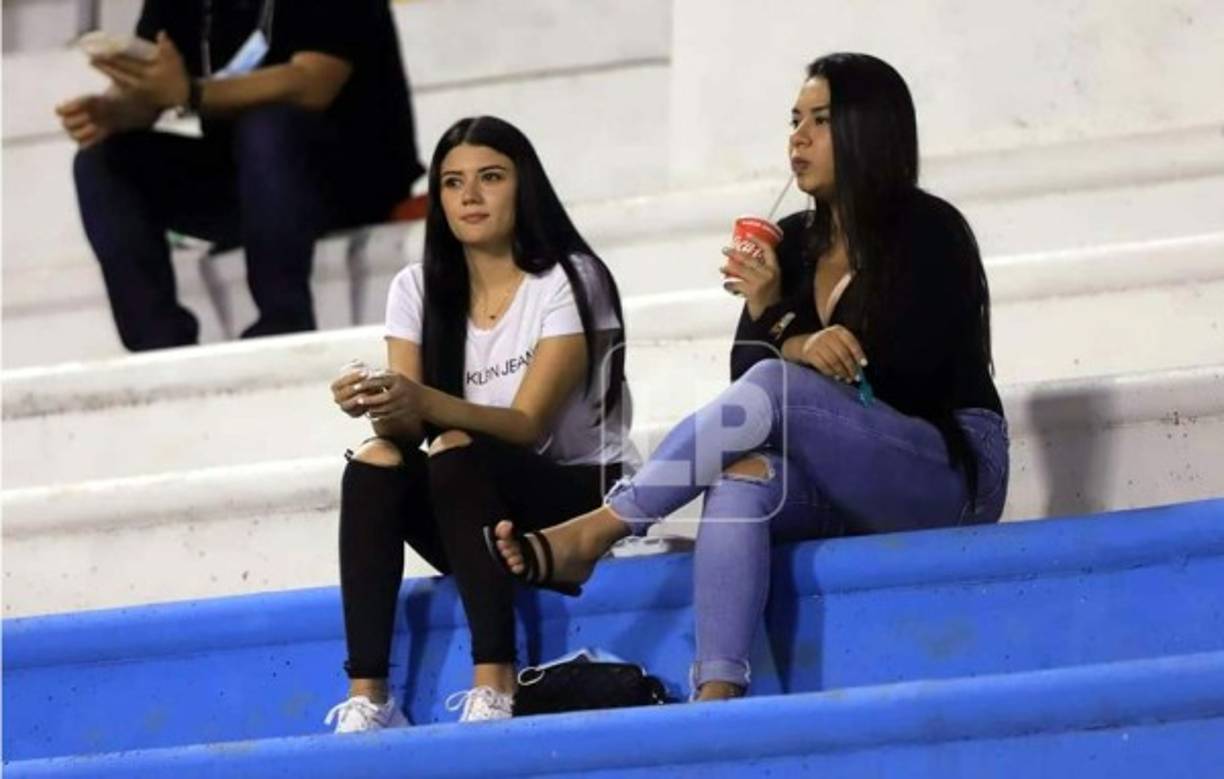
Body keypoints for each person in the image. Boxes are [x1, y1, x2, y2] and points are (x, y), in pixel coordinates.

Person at [491, 52, 1010, 702]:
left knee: (777, 390)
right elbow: (747, 388)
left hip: (948, 473)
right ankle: (717, 695)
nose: (798, 137)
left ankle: (603, 526)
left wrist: (777, 317)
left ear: (869, 130)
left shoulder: (930, 232)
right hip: (839, 482)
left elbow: (902, 373)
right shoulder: (791, 242)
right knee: (740, 482)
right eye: (795, 120)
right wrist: (779, 322)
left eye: (820, 120)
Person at [323, 116, 633, 731]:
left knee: (457, 445)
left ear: (525, 187)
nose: (470, 196)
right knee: (374, 461)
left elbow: (527, 425)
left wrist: (422, 401)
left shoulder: (570, 279)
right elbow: (407, 435)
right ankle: (370, 697)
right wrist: (377, 402)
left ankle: (495, 682)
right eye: (452, 182)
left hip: (574, 494)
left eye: (490, 178)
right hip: (468, 502)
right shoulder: (415, 287)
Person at [57, 0, 424, 350]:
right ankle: (158, 344)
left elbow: (312, 82)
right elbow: (154, 89)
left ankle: (282, 320)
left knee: (266, 126)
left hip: (349, 179)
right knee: (101, 161)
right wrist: (112, 111)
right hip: (252, 186)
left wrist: (193, 92)